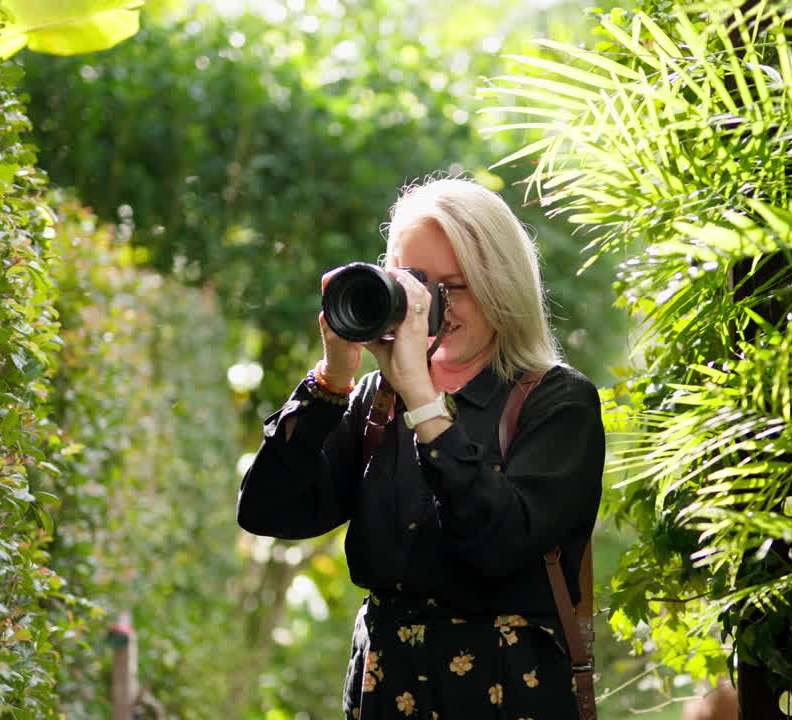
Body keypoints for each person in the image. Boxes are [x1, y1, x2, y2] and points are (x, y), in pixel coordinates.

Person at [237, 177, 605, 720]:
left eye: (454, 287)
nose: (432, 307)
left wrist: (424, 400)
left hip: (506, 693)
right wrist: (333, 379)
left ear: (501, 284)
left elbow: (499, 542)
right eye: (413, 283)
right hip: (386, 689)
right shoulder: (374, 402)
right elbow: (269, 510)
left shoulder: (556, 402)